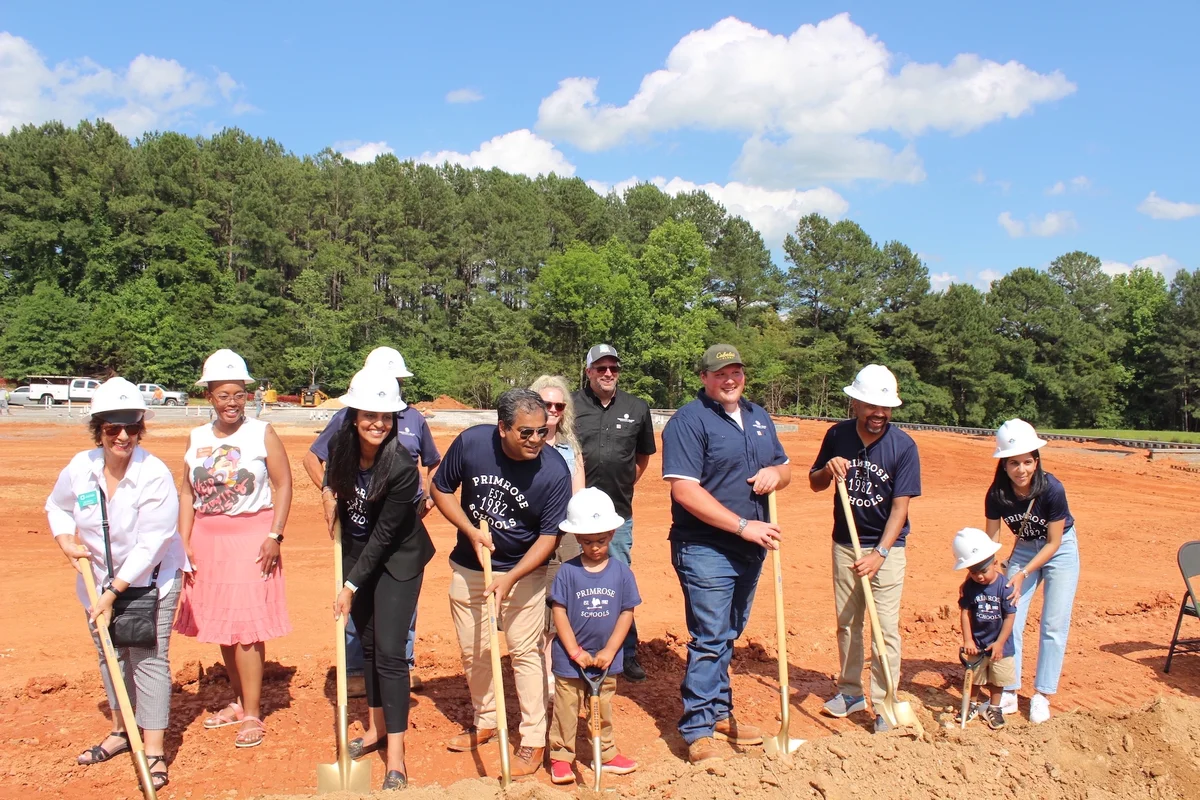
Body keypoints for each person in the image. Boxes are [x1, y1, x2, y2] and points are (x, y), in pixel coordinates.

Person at [45, 378, 187, 790]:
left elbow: (153, 543)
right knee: (111, 656)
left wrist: (112, 594)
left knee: (146, 658)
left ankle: (155, 750)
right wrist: (64, 538)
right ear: (99, 429)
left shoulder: (154, 474)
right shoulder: (79, 467)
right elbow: (56, 506)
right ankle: (121, 731)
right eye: (112, 428)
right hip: (97, 583)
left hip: (151, 580)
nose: (122, 436)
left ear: (141, 427)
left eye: (131, 427)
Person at [431, 388, 571, 777]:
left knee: (525, 652)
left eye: (542, 431)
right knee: (475, 651)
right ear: (503, 428)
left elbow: (549, 537)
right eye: (526, 433)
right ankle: (487, 720)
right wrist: (470, 532)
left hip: (522, 570)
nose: (535, 440)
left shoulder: (555, 470)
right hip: (470, 566)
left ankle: (533, 738)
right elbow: (440, 488)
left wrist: (510, 578)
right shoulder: (473, 443)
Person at [661, 344, 790, 765]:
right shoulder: (687, 421)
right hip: (705, 547)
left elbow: (784, 467)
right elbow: (684, 489)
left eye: (735, 371)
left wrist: (777, 473)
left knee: (728, 633)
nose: (729, 379)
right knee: (711, 636)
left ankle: (718, 711)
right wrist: (741, 525)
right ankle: (698, 729)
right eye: (720, 373)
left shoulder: (757, 416)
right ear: (704, 378)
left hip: (751, 548)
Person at [173, 349, 294, 748]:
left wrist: (275, 535)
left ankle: (255, 714)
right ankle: (239, 703)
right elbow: (188, 493)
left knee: (246, 629)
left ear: (247, 395)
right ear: (209, 396)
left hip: (252, 538)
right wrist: (184, 543)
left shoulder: (262, 433)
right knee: (224, 627)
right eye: (223, 394)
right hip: (208, 539)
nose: (232, 402)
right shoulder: (196, 438)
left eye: (238, 394)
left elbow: (282, 485)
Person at [304, 346, 441, 695]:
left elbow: (432, 461)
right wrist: (329, 494)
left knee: (399, 606)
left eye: (393, 382)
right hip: (362, 523)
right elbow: (319, 459)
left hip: (402, 522)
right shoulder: (350, 418)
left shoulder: (414, 420)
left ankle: (400, 665)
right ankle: (356, 670)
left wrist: (427, 496)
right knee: (356, 594)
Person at [327, 368, 435, 790]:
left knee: (390, 652)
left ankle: (397, 759)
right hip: (358, 555)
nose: (378, 424)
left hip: (399, 560)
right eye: (370, 415)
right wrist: (331, 506)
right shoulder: (340, 447)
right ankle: (375, 731)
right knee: (369, 647)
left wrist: (350, 586)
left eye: (386, 417)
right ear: (354, 415)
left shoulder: (402, 465)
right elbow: (333, 487)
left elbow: (386, 535)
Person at [810, 364, 921, 734]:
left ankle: (885, 700)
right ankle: (850, 691)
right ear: (854, 403)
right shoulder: (837, 435)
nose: (879, 414)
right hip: (845, 543)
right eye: (872, 405)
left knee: (884, 627)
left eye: (885, 407)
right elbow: (814, 484)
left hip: (887, 549)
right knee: (847, 622)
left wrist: (881, 554)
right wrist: (830, 468)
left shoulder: (903, 446)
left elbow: (900, 507)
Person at [985, 418, 1080, 724]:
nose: (1022, 470)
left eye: (1028, 461)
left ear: (1037, 461)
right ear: (1003, 464)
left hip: (1060, 550)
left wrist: (1022, 573)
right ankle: (1010, 689)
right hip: (1025, 547)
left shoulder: (1052, 489)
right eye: (1014, 463)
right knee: (1009, 615)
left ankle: (1042, 694)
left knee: (1054, 624)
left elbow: (1053, 542)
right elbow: (993, 540)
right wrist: (990, 568)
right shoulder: (996, 495)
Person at [572, 344, 656, 682]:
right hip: (571, 513)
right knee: (571, 581)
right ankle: (572, 649)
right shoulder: (570, 407)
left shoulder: (637, 408)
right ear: (589, 371)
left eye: (614, 368)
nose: (608, 374)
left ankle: (626, 653)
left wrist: (624, 484)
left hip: (618, 515)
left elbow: (643, 458)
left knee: (617, 581)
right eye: (601, 368)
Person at [547, 488, 640, 785]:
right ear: (576, 538)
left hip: (605, 661)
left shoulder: (622, 574)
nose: (595, 547)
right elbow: (559, 613)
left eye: (600, 540)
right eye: (587, 542)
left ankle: (607, 752)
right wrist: (575, 652)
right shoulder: (567, 572)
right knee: (566, 708)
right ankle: (561, 757)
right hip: (570, 661)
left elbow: (627, 613)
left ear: (612, 533)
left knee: (603, 707)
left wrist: (610, 651)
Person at [953, 527, 1017, 730]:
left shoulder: (1005, 587)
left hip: (1000, 646)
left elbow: (1010, 616)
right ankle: (971, 704)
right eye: (973, 573)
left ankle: (995, 708)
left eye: (983, 571)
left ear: (995, 564)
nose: (979, 577)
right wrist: (968, 640)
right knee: (976, 677)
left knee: (998, 679)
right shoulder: (970, 588)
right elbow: (965, 612)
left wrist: (1000, 643)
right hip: (978, 645)